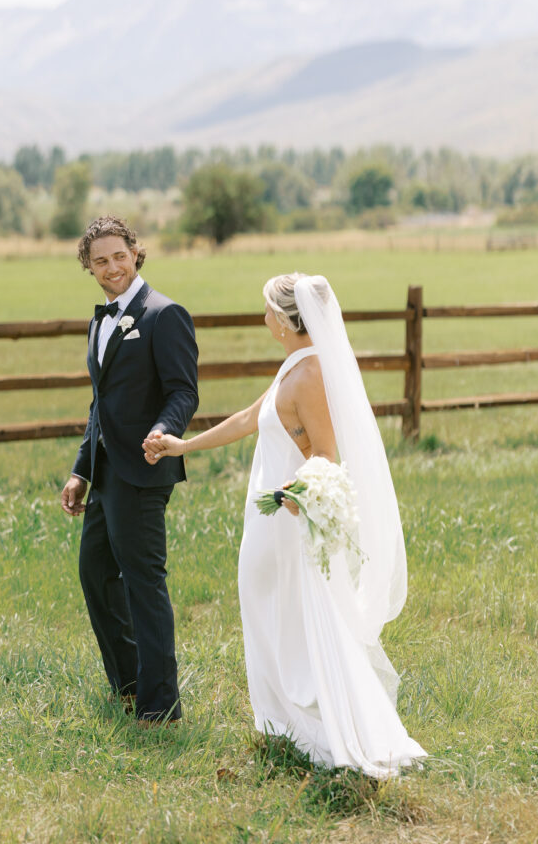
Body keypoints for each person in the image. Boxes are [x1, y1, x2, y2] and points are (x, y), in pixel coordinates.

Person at [143, 273, 426, 773]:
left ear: (287, 319)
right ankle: (280, 724)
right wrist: (182, 445)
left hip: (287, 519)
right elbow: (249, 418)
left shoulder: (311, 374)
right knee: (267, 610)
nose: (263, 319)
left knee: (295, 618)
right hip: (267, 519)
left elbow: (325, 452)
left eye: (268, 311)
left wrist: (297, 493)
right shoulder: (292, 367)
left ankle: (313, 726)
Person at [61, 216, 198, 725]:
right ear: (89, 267)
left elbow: (183, 390)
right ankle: (130, 685)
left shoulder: (165, 314)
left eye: (119, 255)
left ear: (135, 253)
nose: (112, 266)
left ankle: (160, 706)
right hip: (104, 472)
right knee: (95, 573)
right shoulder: (100, 320)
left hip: (144, 468)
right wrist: (80, 469)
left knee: (143, 582)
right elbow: (101, 402)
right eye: (100, 260)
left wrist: (164, 431)